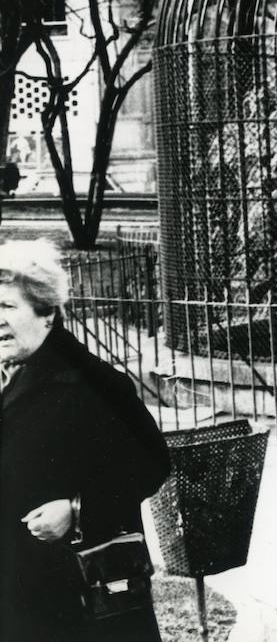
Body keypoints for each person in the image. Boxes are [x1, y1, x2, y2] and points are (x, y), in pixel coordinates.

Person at [0, 239, 170, 642]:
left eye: (7, 307)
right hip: (14, 584)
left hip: (75, 591)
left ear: (46, 313)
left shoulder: (93, 381)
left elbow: (152, 463)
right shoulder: (8, 372)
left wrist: (77, 509)